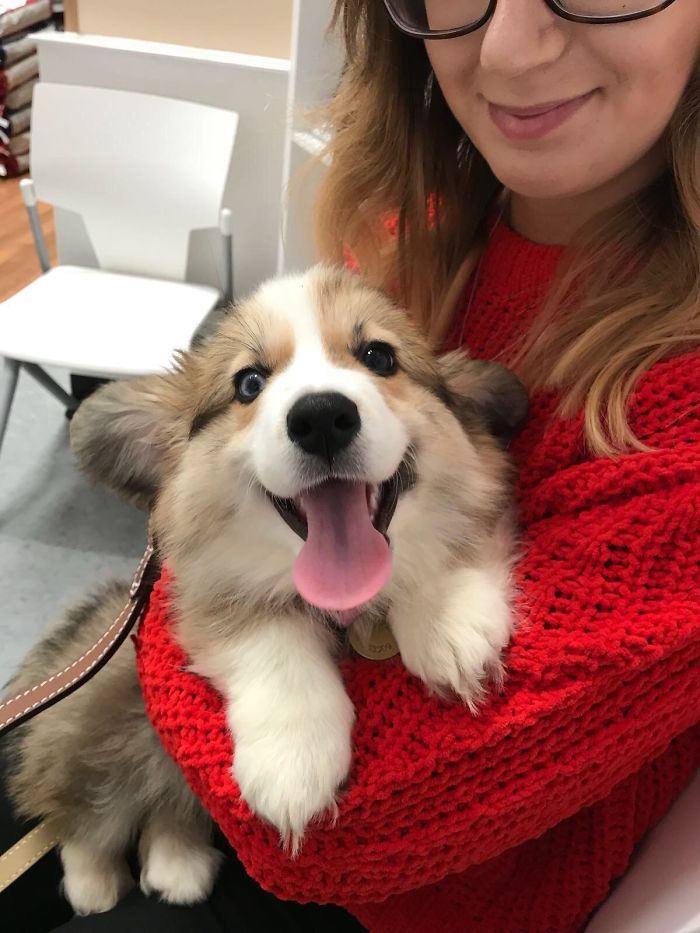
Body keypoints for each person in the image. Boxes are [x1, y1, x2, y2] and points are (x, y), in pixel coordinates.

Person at [2, 1, 698, 930]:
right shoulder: (427, 226)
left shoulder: (677, 401)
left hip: (419, 890)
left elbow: (347, 827)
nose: (509, 47)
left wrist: (191, 599)